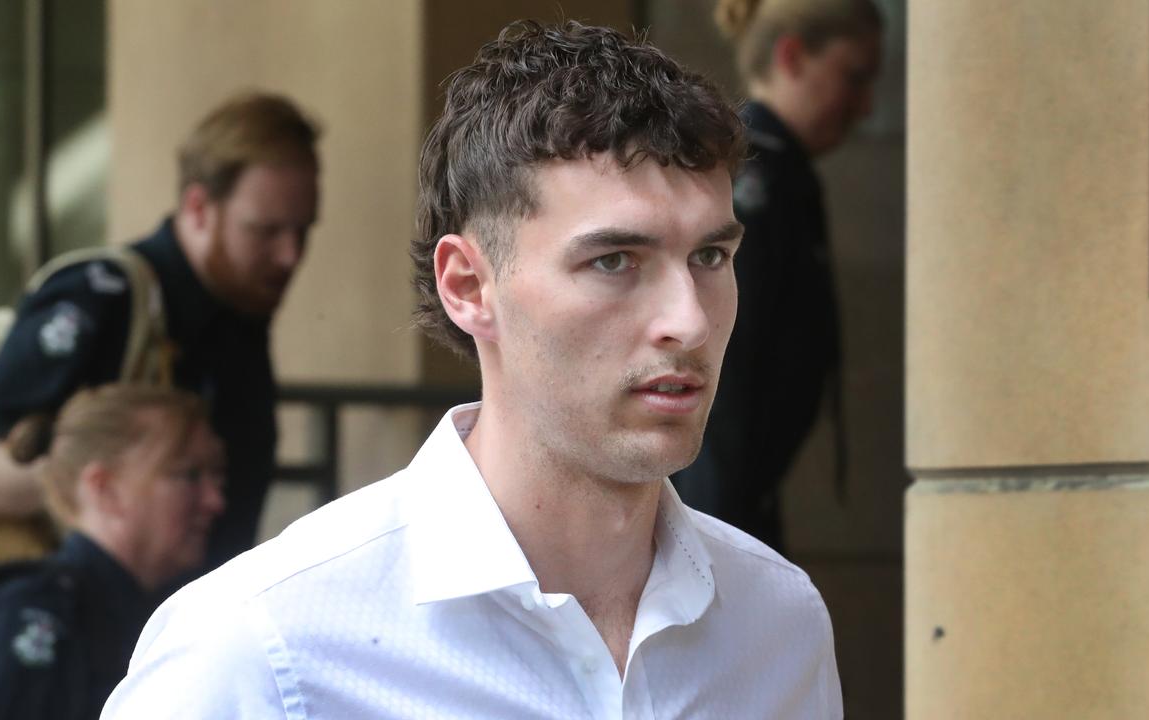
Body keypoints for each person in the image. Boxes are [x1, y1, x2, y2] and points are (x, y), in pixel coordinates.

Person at [102, 20, 841, 718]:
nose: (688, 318)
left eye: (710, 256)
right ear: (467, 286)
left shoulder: (778, 624)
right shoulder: (264, 647)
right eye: (614, 260)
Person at [0, 92, 319, 570]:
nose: (290, 256)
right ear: (198, 207)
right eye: (265, 232)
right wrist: (122, 487)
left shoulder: (241, 310)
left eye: (302, 232)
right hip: (85, 626)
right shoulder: (100, 297)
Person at [672, 0, 884, 551]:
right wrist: (713, 531)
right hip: (718, 509)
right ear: (792, 56)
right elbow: (724, 365)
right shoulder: (750, 177)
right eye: (853, 76)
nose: (865, 106)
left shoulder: (775, 168)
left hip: (737, 503)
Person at [0, 385, 226, 720]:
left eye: (218, 478)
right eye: (188, 475)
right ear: (104, 489)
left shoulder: (173, 614)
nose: (214, 501)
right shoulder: (35, 616)